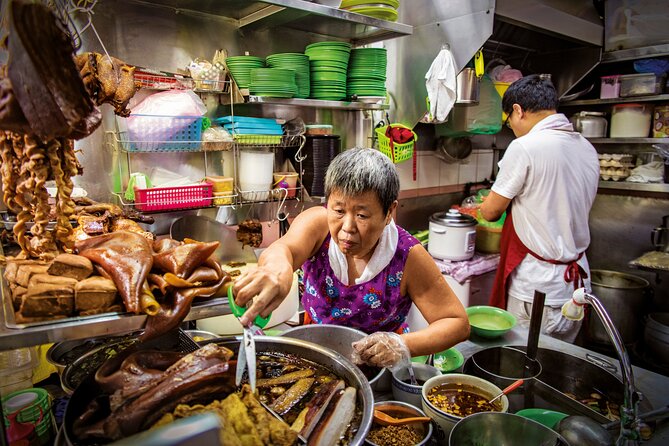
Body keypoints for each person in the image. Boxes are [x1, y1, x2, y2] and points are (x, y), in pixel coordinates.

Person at [233, 148, 470, 369]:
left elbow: (456, 323)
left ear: (389, 212)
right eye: (338, 211)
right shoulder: (318, 224)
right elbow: (285, 249)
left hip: (378, 367)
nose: (347, 228)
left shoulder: (408, 256)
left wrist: (402, 344)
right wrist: (277, 268)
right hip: (316, 353)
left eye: (362, 214)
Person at [479, 74, 600, 342]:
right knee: (558, 367)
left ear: (518, 111)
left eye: (508, 119)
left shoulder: (525, 147)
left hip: (538, 289)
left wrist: (486, 201)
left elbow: (490, 212)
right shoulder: (587, 148)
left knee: (523, 365)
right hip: (576, 285)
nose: (510, 126)